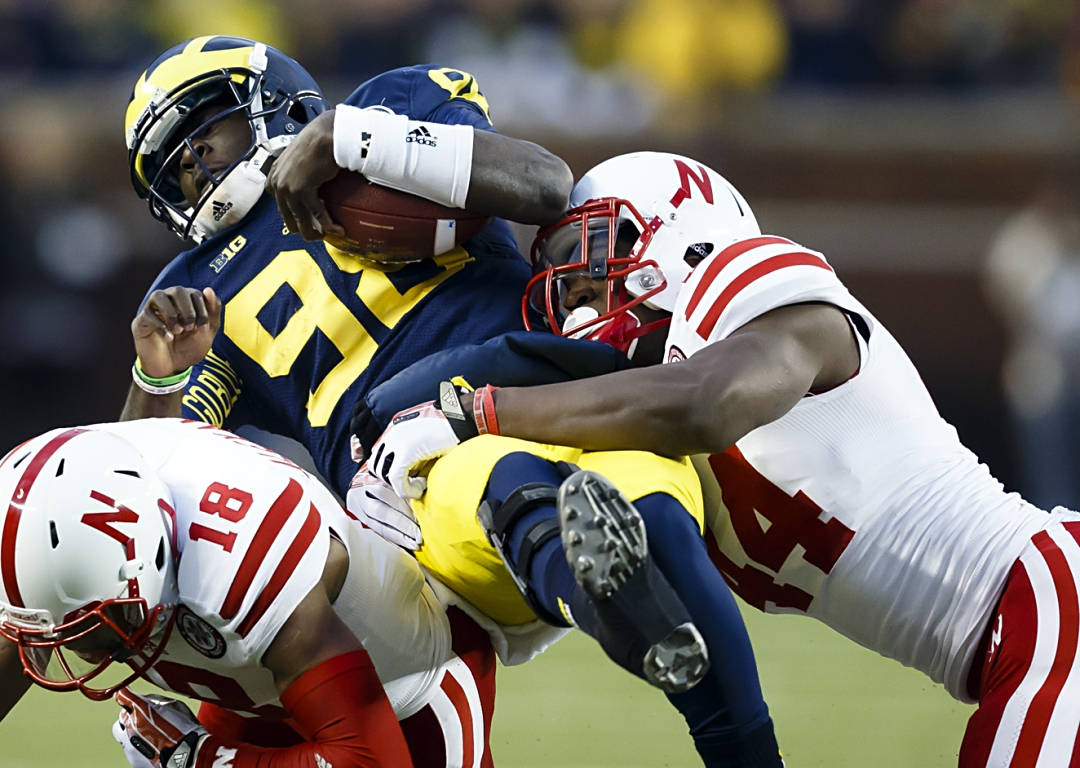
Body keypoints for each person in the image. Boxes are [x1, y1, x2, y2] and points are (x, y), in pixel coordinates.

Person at [118, 37, 784, 767]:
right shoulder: (186, 297)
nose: (193, 166)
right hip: (406, 480)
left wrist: (361, 141)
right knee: (500, 483)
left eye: (201, 134)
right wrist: (158, 378)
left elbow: (543, 185)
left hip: (556, 395)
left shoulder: (382, 110)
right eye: (175, 164)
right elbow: (143, 483)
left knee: (655, 511)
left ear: (270, 100)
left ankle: (729, 731)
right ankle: (615, 604)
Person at [367, 151, 1080, 766]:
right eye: (559, 270)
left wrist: (477, 413)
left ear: (678, 229)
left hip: (1048, 594)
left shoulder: (749, 279)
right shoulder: (638, 404)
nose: (574, 286)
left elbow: (706, 401)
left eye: (590, 247)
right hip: (1003, 637)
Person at [0, 418, 499, 767]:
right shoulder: (60, 485)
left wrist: (195, 757)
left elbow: (370, 761)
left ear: (147, 563)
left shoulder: (245, 571)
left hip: (407, 692)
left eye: (90, 625)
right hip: (254, 690)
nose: (72, 649)